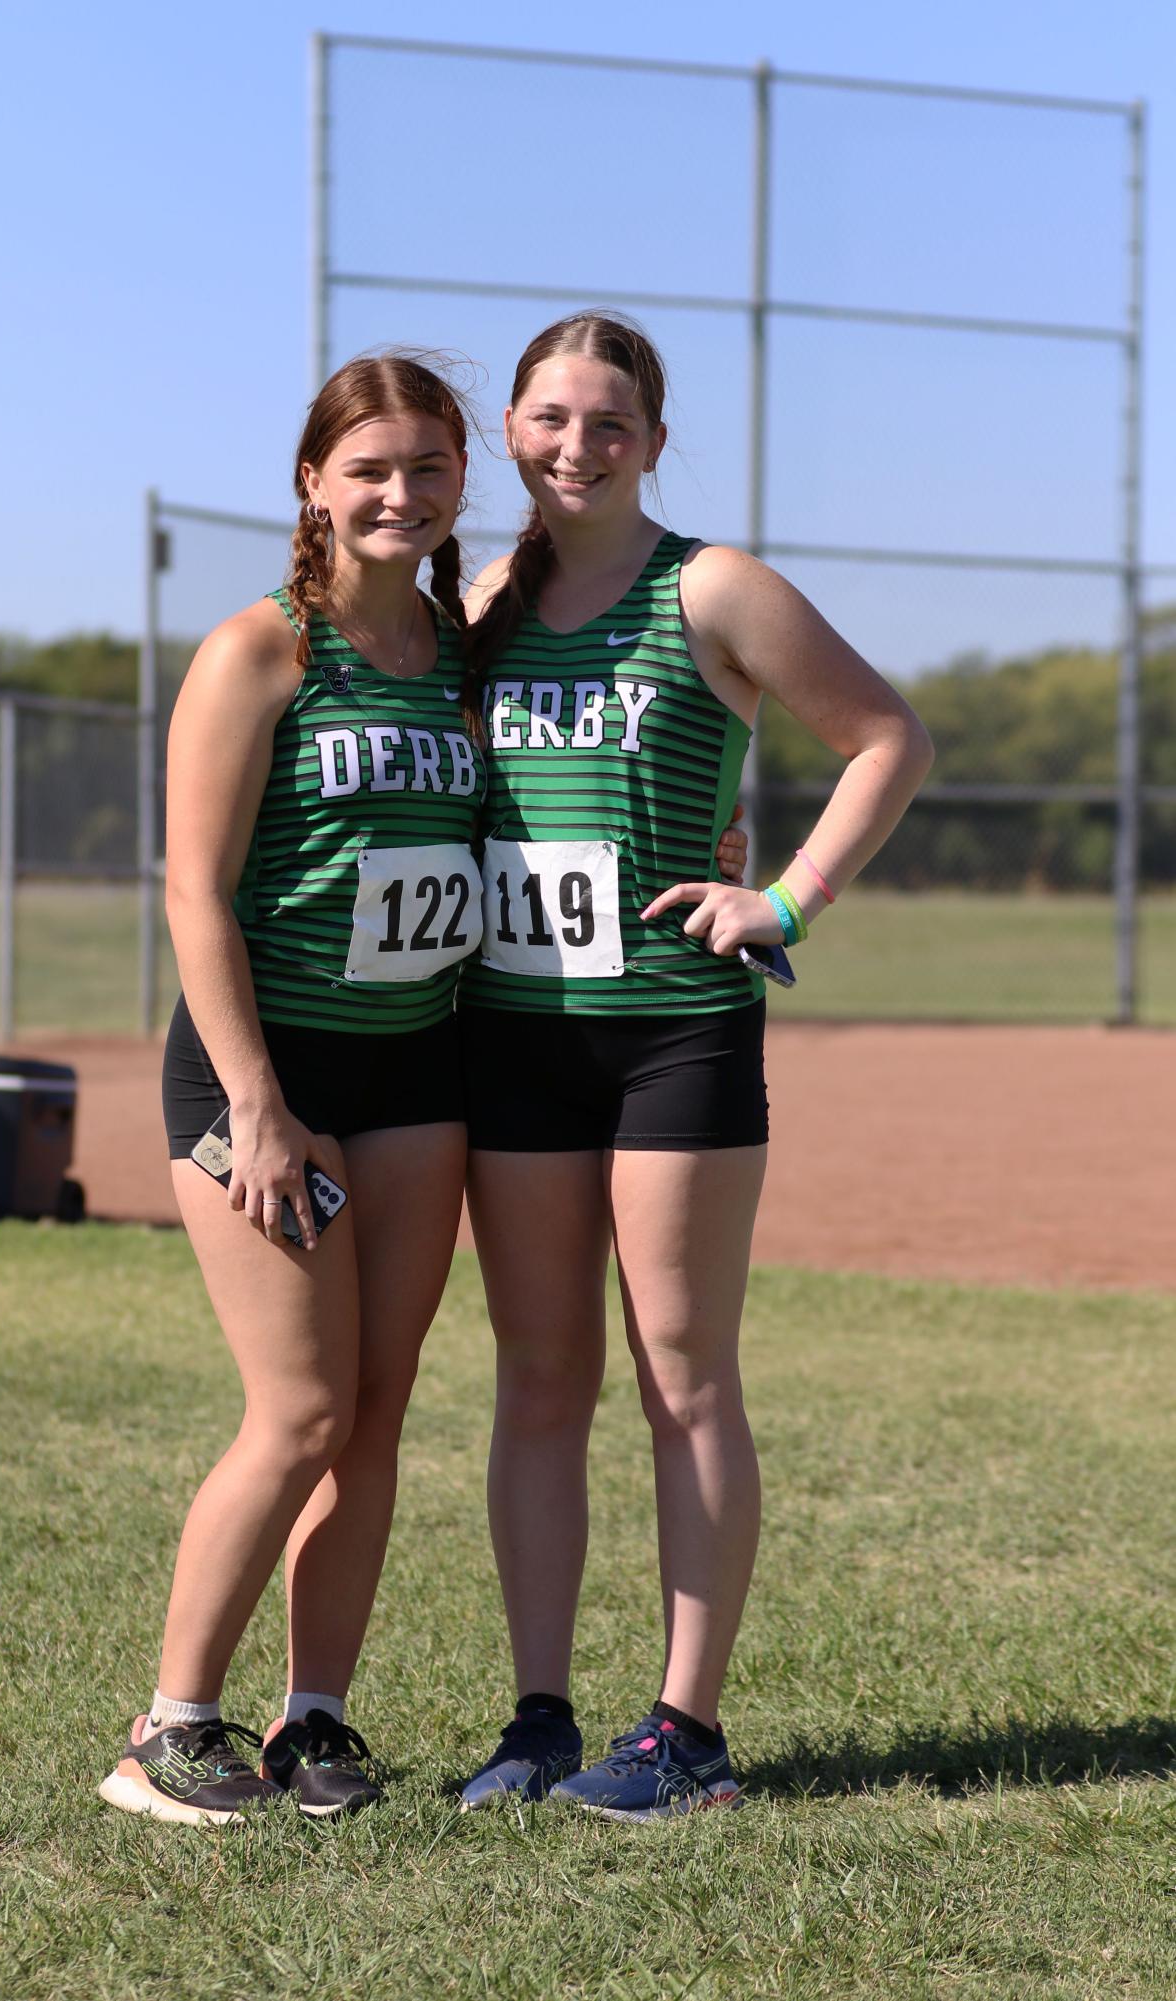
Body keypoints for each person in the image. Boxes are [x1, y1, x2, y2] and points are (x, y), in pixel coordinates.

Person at [454, 312, 934, 1821]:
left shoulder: (710, 585)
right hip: (513, 1034)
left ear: (653, 442)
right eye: (547, 417)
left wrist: (781, 898)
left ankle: (685, 1733)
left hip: (674, 1028)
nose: (574, 446)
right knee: (537, 1379)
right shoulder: (479, 602)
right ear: (511, 432)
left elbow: (884, 737)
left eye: (607, 422)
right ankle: (538, 1720)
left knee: (681, 1373)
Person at [99, 353, 488, 1824]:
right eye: (370, 467)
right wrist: (256, 1101)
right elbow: (194, 891)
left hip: (417, 1068)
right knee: (301, 1404)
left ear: (462, 486)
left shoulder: (465, 653)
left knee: (375, 1411)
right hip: (260, 1069)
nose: (400, 493)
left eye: (430, 468)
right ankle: (167, 1725)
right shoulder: (260, 651)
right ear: (314, 481)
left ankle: (311, 1719)